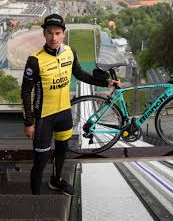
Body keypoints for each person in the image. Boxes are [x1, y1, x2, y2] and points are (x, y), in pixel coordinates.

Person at [21, 14, 119, 196]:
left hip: (64, 113)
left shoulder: (69, 52)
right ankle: (34, 200)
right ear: (44, 34)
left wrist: (106, 83)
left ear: (64, 34)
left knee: (61, 152)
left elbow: (81, 74)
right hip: (44, 117)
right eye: (49, 33)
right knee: (40, 160)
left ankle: (56, 181)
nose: (53, 37)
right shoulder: (34, 60)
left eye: (57, 33)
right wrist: (28, 122)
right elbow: (25, 92)